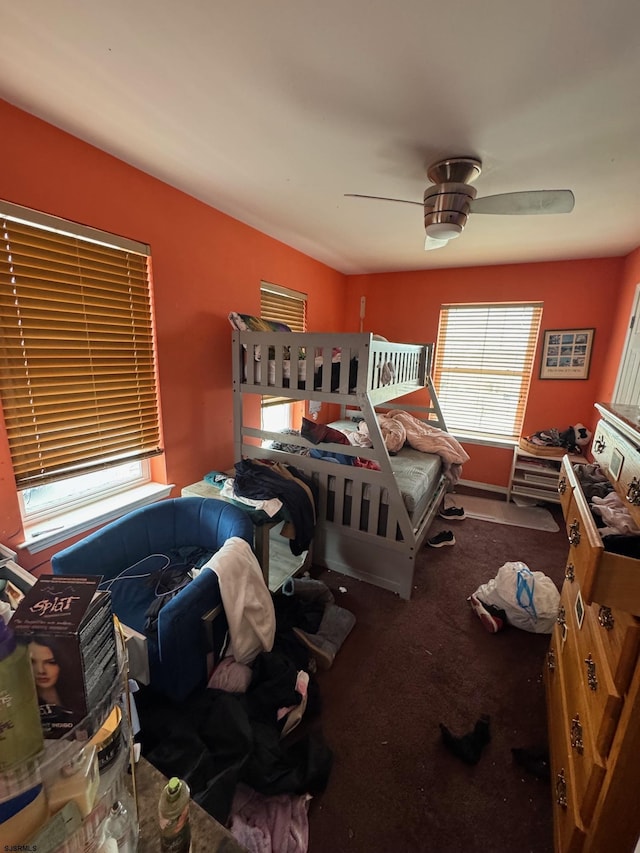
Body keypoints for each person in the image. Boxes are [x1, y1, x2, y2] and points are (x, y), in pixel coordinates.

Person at [28, 636, 75, 730]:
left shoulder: (78, 699)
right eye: (32, 662)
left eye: (51, 662)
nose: (41, 670)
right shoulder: (23, 706)